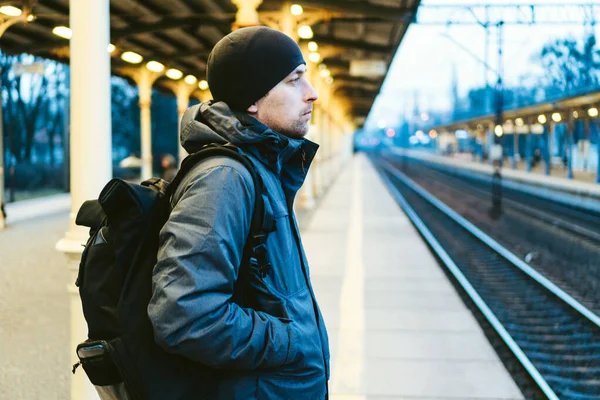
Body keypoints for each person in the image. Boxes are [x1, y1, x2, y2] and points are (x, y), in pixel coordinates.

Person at [147, 26, 330, 399]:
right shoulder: (225, 177)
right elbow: (184, 314)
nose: (312, 93)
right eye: (295, 80)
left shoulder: (259, 168)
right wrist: (293, 338)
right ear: (252, 99)